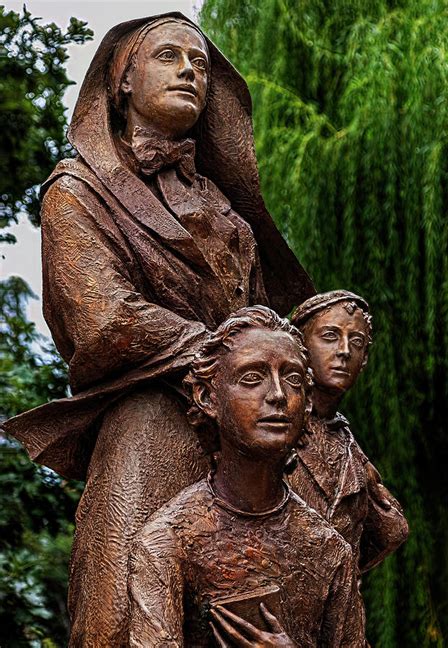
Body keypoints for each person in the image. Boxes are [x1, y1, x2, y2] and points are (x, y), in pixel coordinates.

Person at [3, 14, 313, 646]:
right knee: (123, 601)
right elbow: (102, 319)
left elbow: (260, 314)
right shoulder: (77, 191)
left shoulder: (225, 208)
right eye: (168, 57)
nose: (189, 72)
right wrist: (227, 357)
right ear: (122, 81)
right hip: (151, 418)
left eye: (199, 64)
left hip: (244, 435)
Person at [128, 306, 365, 647]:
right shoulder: (167, 543)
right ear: (208, 397)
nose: (278, 395)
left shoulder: (328, 549)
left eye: (293, 379)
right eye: (252, 378)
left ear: (308, 403)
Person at [289, 290, 409, 574]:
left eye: (356, 342)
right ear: (299, 346)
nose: (344, 351)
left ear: (365, 359)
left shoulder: (349, 446)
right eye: (330, 336)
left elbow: (390, 533)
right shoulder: (270, 429)